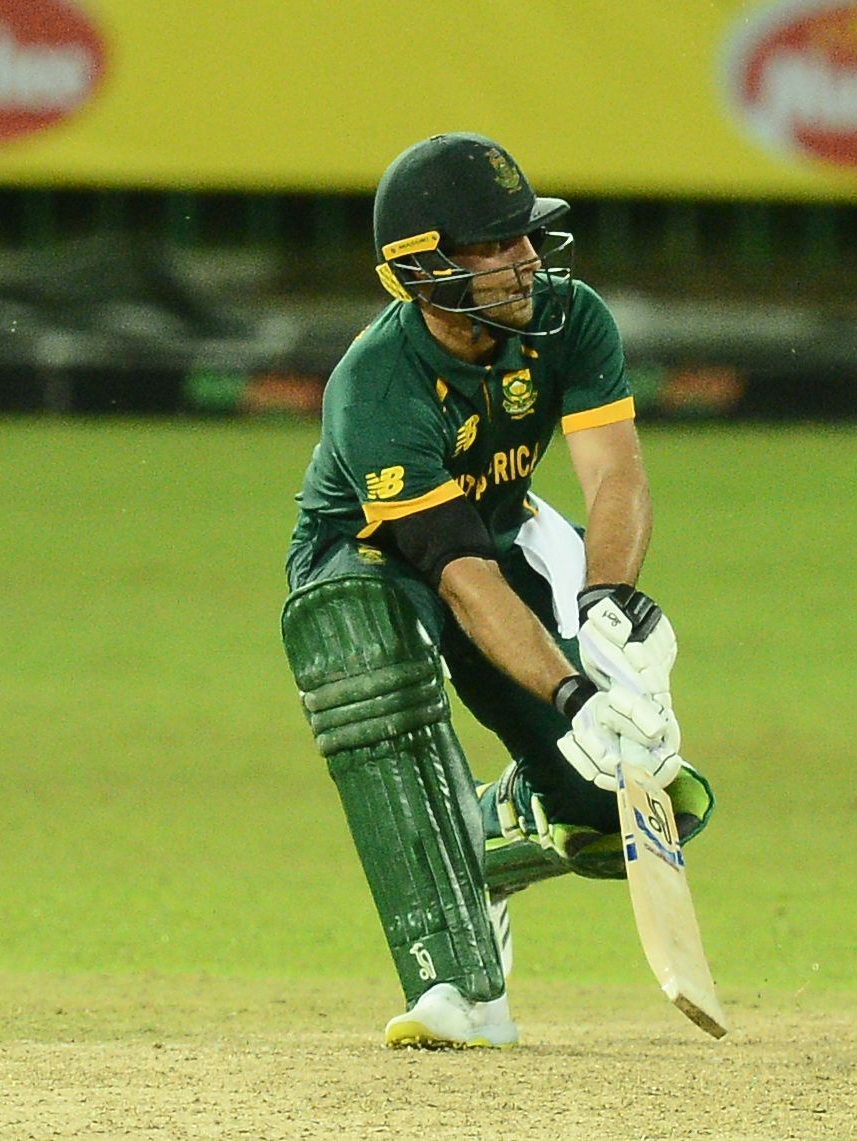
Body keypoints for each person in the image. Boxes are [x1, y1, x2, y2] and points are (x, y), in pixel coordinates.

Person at [279, 132, 714, 1048]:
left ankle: (479, 841)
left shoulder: (572, 318)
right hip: (361, 566)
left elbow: (616, 481)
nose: (525, 258)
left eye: (523, 235)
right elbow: (455, 572)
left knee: (621, 804)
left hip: (491, 542)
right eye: (496, 244)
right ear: (427, 268)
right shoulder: (375, 384)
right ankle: (457, 989)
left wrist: (607, 614)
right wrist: (563, 688)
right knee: (379, 652)